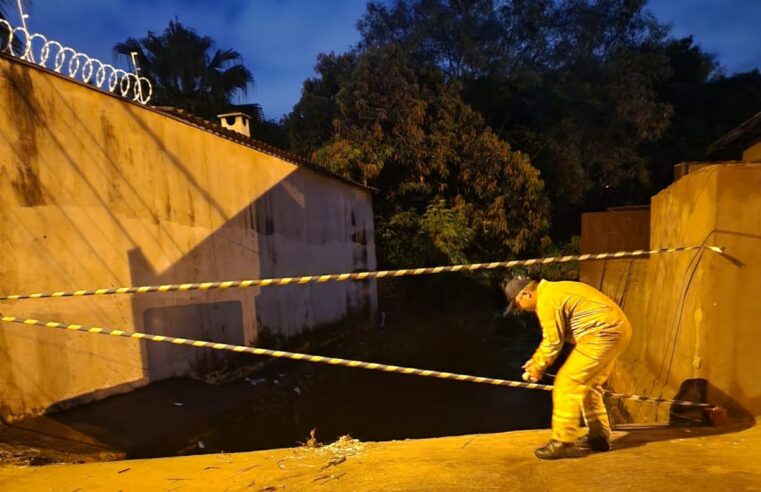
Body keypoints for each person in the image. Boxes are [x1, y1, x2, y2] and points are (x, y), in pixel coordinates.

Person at [502, 276, 632, 460]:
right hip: (616, 329)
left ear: (526, 294)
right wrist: (537, 361)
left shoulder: (547, 300)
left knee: (567, 382)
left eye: (518, 304)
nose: (520, 309)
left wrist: (537, 367)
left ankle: (563, 442)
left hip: (602, 332)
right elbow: (557, 340)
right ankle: (598, 436)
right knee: (589, 385)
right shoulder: (556, 291)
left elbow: (552, 342)